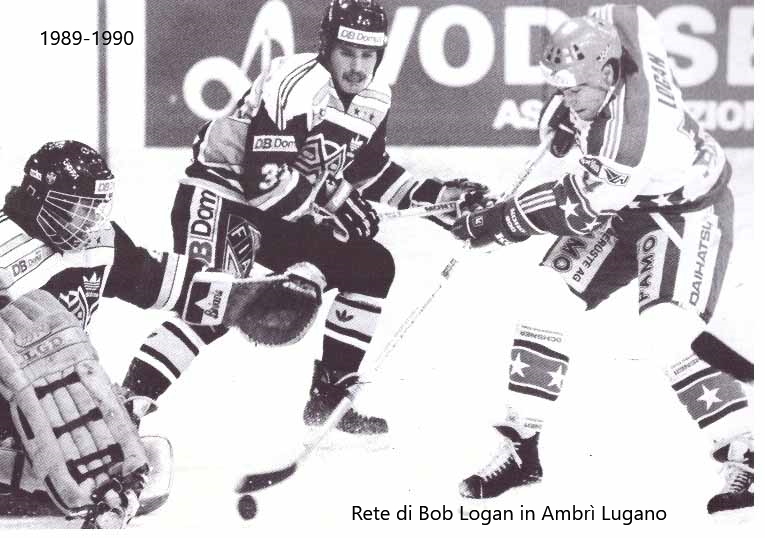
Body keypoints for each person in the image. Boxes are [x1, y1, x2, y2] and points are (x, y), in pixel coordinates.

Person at [121, 0, 488, 435]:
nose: (357, 67)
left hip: (280, 207)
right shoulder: (295, 83)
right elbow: (263, 183)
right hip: (220, 193)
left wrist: (440, 199)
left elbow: (369, 172)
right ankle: (126, 408)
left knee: (371, 266)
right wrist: (336, 202)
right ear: (326, 47)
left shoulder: (376, 96)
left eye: (367, 55)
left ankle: (329, 398)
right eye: (347, 53)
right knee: (212, 301)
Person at [451, 5, 752, 514]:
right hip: (629, 201)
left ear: (609, 76)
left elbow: (573, 207)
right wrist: (567, 108)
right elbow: (620, 11)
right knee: (546, 296)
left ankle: (744, 448)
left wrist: (495, 221)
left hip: (686, 210)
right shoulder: (625, 36)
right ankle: (522, 447)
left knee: (665, 328)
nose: (568, 99)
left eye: (575, 92)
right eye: (561, 89)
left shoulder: (628, 141)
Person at [0, 140, 323, 526]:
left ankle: (27, 468)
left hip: (40, 395)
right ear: (38, 198)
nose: (87, 221)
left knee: (143, 459)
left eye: (94, 207)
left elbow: (152, 278)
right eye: (76, 207)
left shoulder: (98, 240)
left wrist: (244, 295)